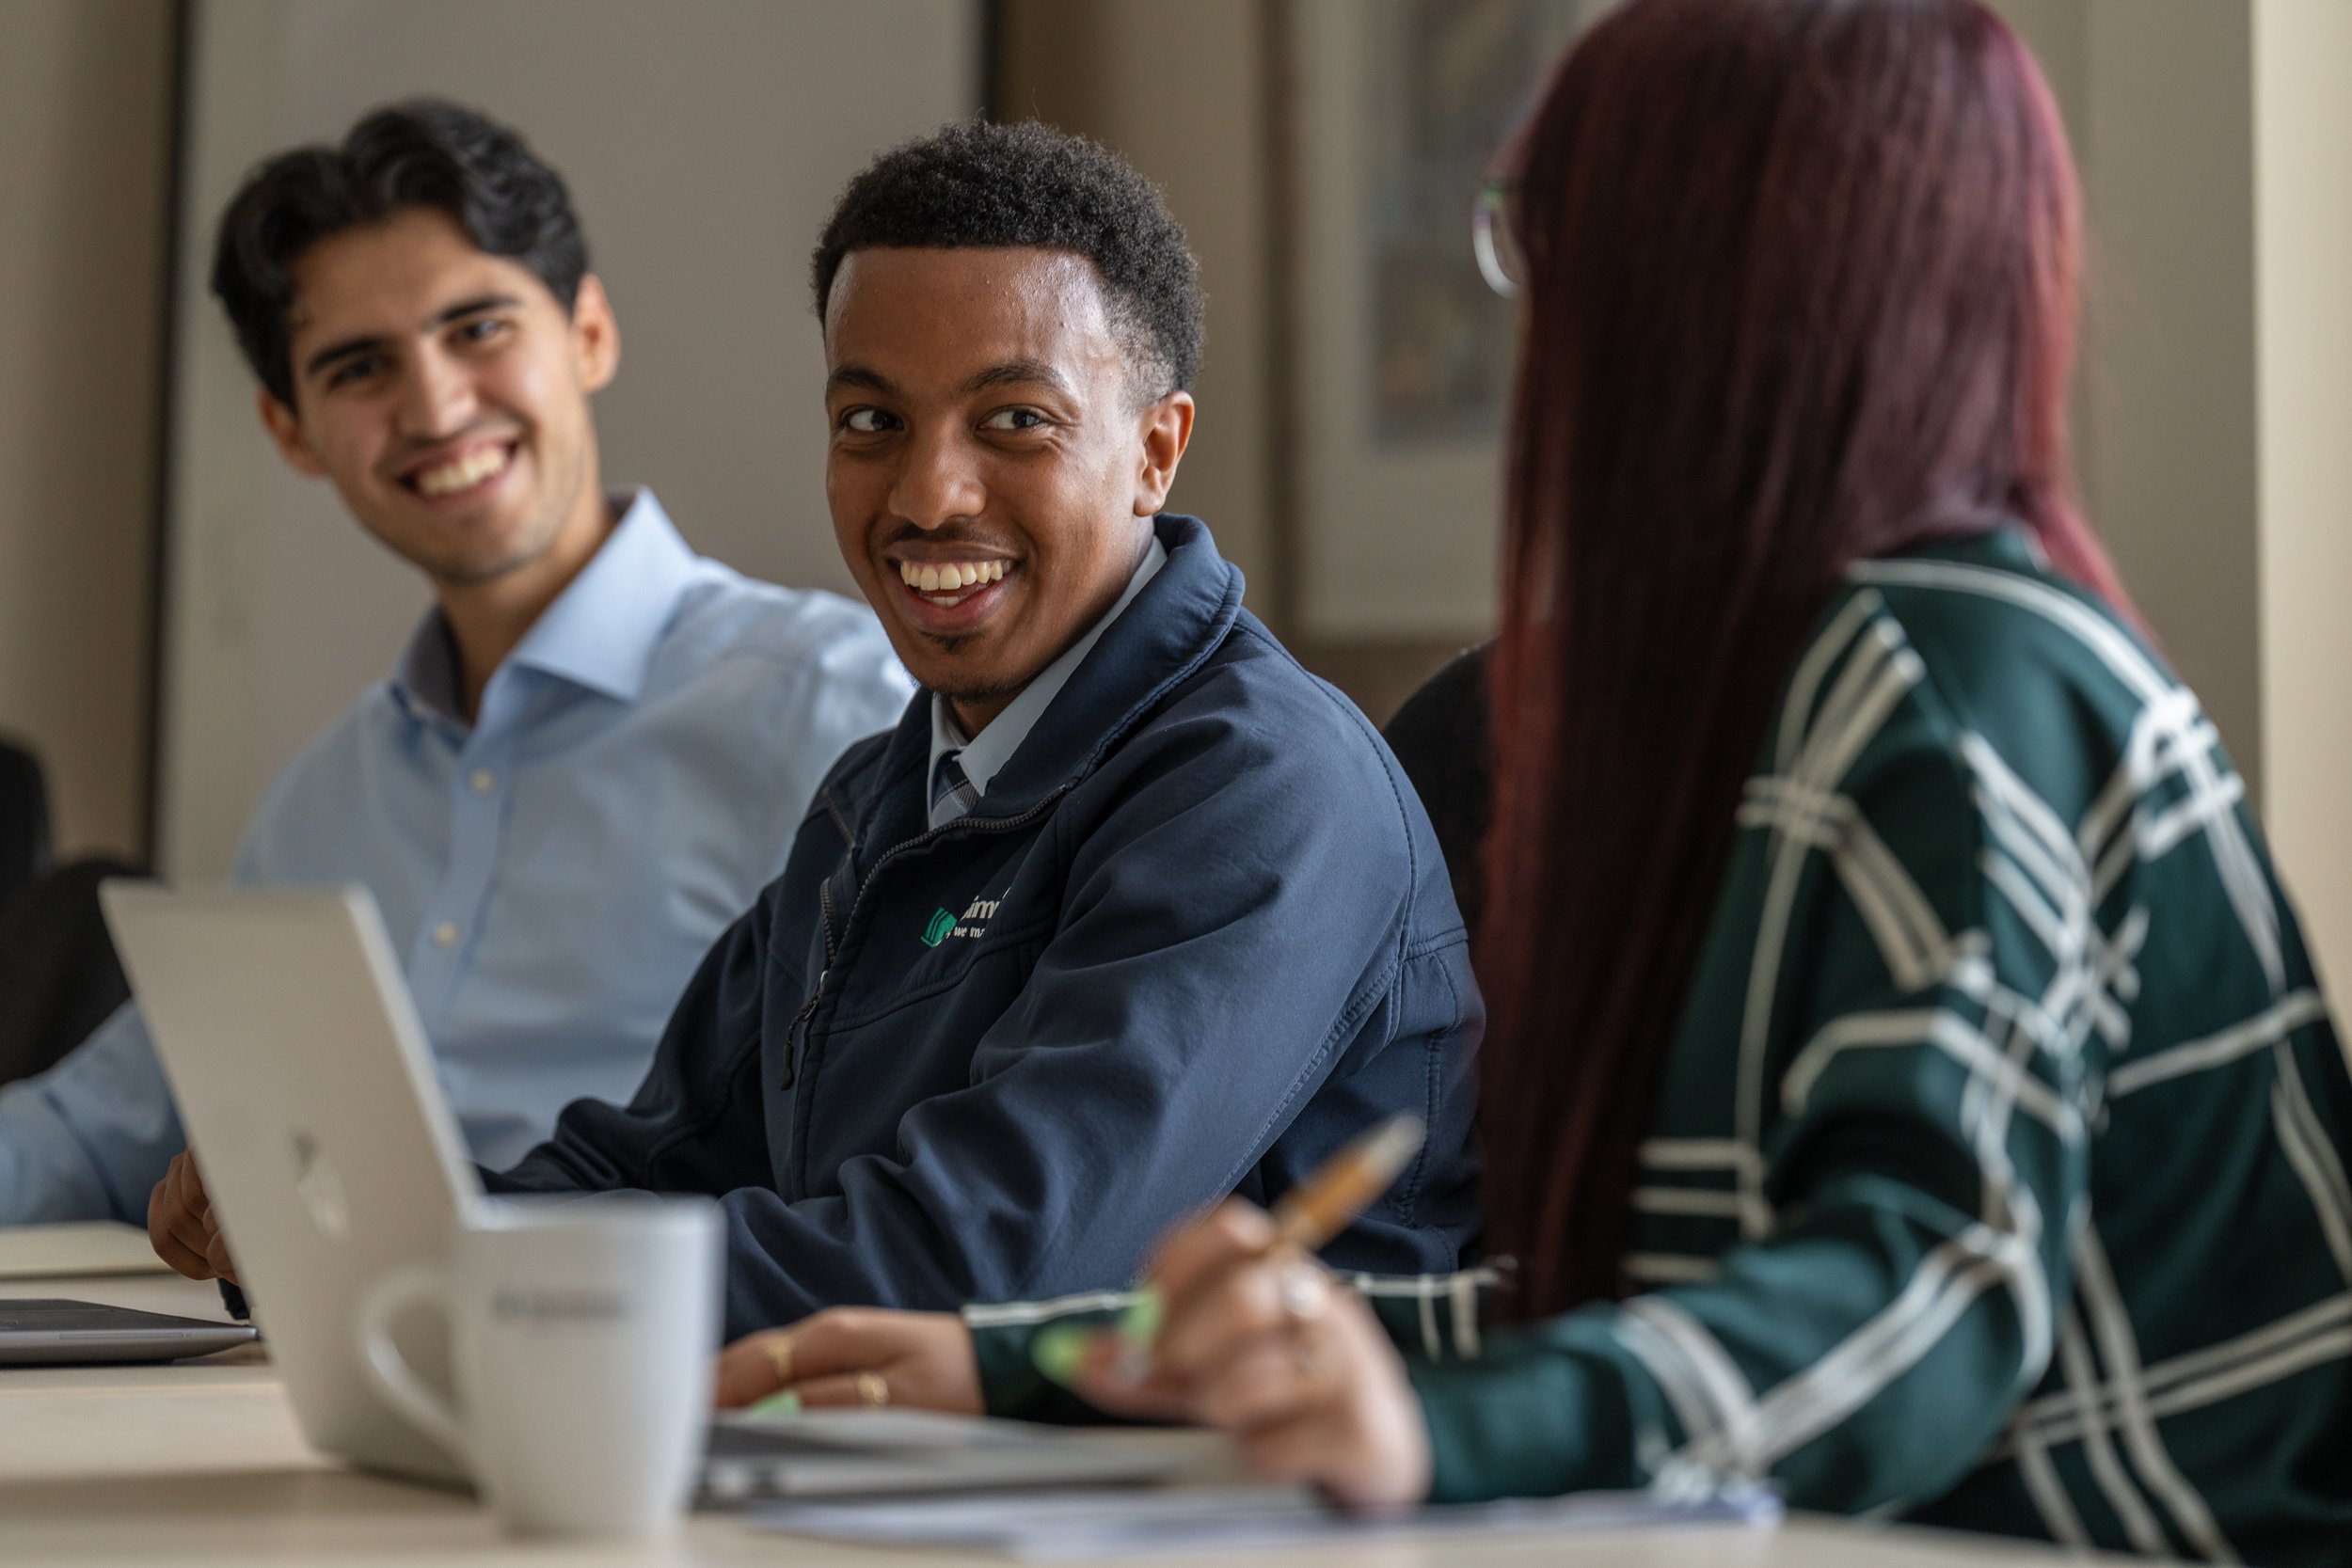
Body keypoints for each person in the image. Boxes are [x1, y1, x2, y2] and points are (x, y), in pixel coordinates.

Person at [711, 4, 2352, 1560]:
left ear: (1748, 293)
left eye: (1560, 243)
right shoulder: (1786, 682)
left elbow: (1915, 1292)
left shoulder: (1954, 672)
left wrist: (1433, 1440)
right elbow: (1625, 1295)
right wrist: (1034, 1368)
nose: (1539, 322)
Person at [382, 119, 1475, 1338]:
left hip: (1217, 1506)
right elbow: (659, 1160)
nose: (926, 494)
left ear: (1154, 452)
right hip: (886, 1469)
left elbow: (988, 1256)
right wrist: (373, 1234)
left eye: (1014, 419)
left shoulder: (1264, 787)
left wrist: (453, 1267)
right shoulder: (881, 794)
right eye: (871, 423)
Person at [1, 101, 910, 1254]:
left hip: (659, 1377)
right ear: (291, 429)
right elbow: (98, 1126)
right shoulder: (324, 798)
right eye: (359, 366)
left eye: (476, 328)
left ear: (588, 333)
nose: (433, 407)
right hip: (309, 1377)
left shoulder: (837, 706)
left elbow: (902, 1155)